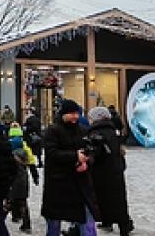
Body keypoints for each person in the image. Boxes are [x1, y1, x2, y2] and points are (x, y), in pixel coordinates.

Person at [41, 99, 99, 236]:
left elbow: (91, 151)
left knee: (87, 218)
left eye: (77, 113)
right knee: (54, 222)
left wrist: (86, 162)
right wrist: (74, 156)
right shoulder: (53, 130)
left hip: (80, 183)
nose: (75, 116)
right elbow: (52, 153)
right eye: (72, 113)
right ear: (63, 114)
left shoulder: (83, 130)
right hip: (58, 183)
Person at [87, 107, 133, 236]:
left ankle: (114, 223)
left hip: (102, 171)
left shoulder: (97, 132)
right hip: (115, 170)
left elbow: (96, 153)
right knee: (118, 200)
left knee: (103, 198)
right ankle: (122, 224)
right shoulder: (112, 131)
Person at [9, 145, 33, 234]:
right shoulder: (24, 167)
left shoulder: (15, 165)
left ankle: (14, 218)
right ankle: (26, 225)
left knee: (9, 203)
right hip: (23, 186)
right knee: (23, 205)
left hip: (15, 186)